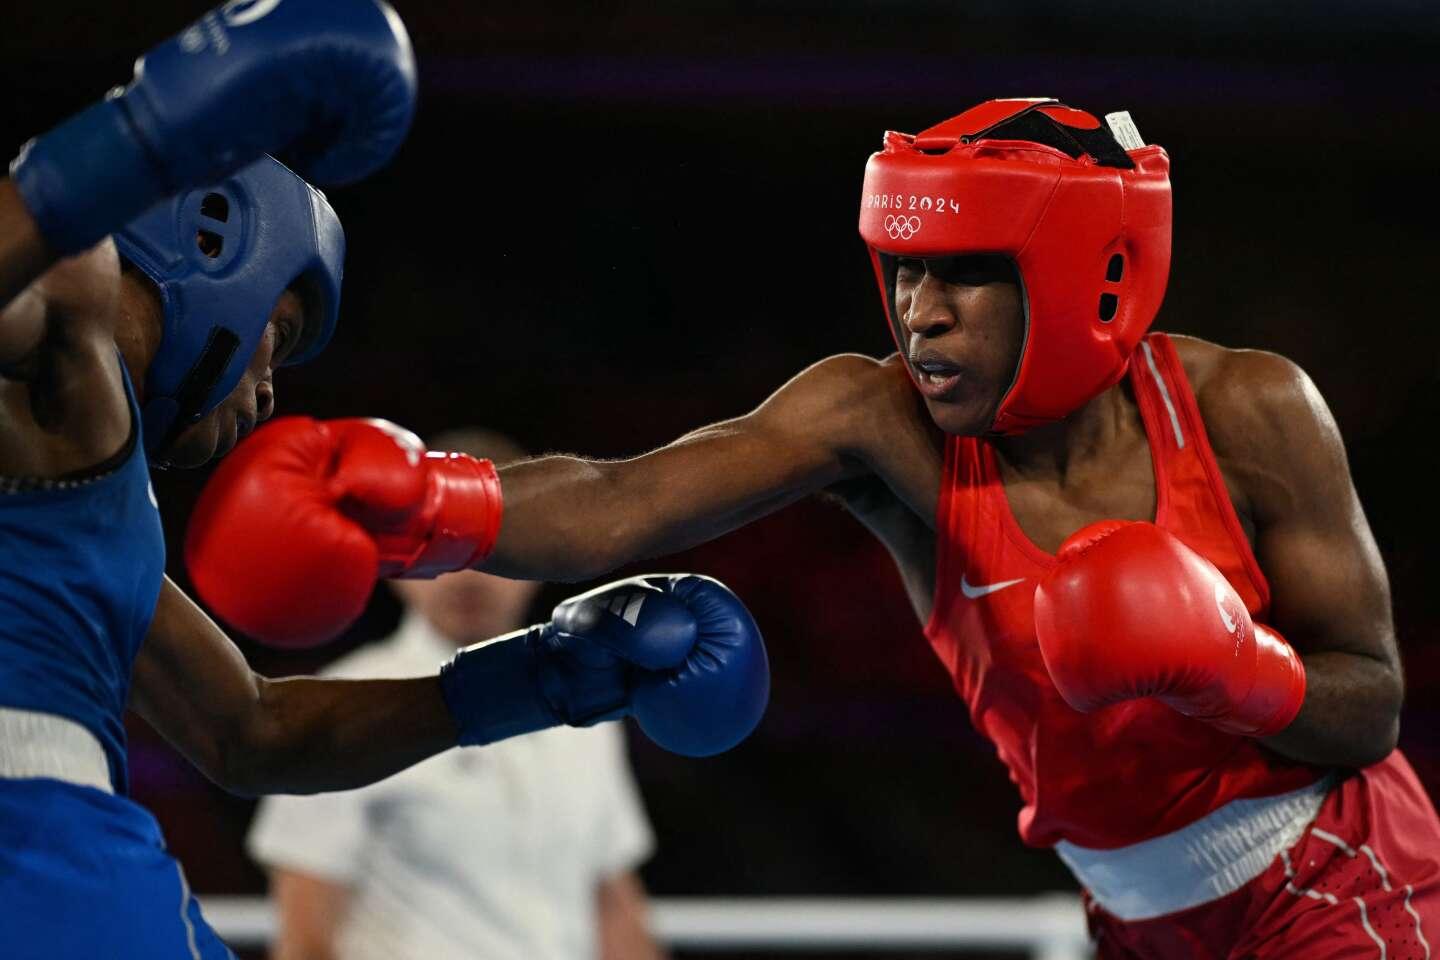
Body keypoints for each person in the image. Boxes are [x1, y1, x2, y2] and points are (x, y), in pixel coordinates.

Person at [194, 98, 1440, 958]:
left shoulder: (1249, 410)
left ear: (1083, 277)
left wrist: (1238, 666)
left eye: (961, 272)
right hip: (1136, 915)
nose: (919, 313)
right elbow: (624, 498)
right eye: (902, 270)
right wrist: (425, 502)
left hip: (1334, 875)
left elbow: (1369, 701)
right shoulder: (878, 419)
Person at [0, 3, 767, 957]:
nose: (269, 390)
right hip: (42, 860)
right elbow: (48, 262)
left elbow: (252, 732)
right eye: (275, 338)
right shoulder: (59, 346)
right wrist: (155, 130)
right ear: (207, 255)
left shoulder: (81, 520)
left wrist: (544, 677)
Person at [248, 429, 668, 960]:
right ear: (395, 560)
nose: (469, 574)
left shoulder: (591, 703)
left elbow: (614, 907)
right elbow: (305, 940)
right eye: (443, 542)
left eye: (491, 545)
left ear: (543, 558)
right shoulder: (339, 700)